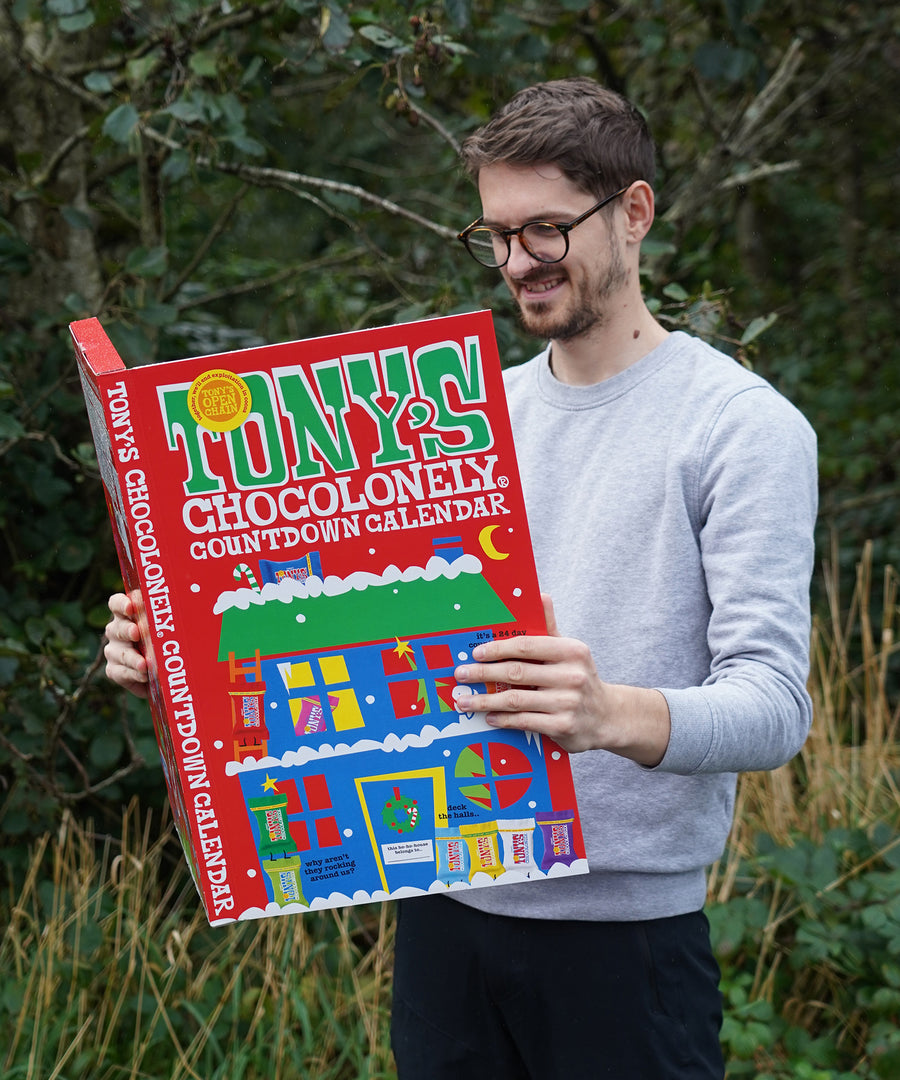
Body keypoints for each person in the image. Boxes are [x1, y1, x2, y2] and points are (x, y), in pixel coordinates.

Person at [105, 77, 818, 1079]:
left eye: (546, 232)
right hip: (444, 919)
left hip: (625, 949)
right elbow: (347, 646)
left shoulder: (742, 430)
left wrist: (610, 712)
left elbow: (775, 709)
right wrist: (183, 660)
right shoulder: (455, 422)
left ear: (636, 213)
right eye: (495, 236)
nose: (518, 263)